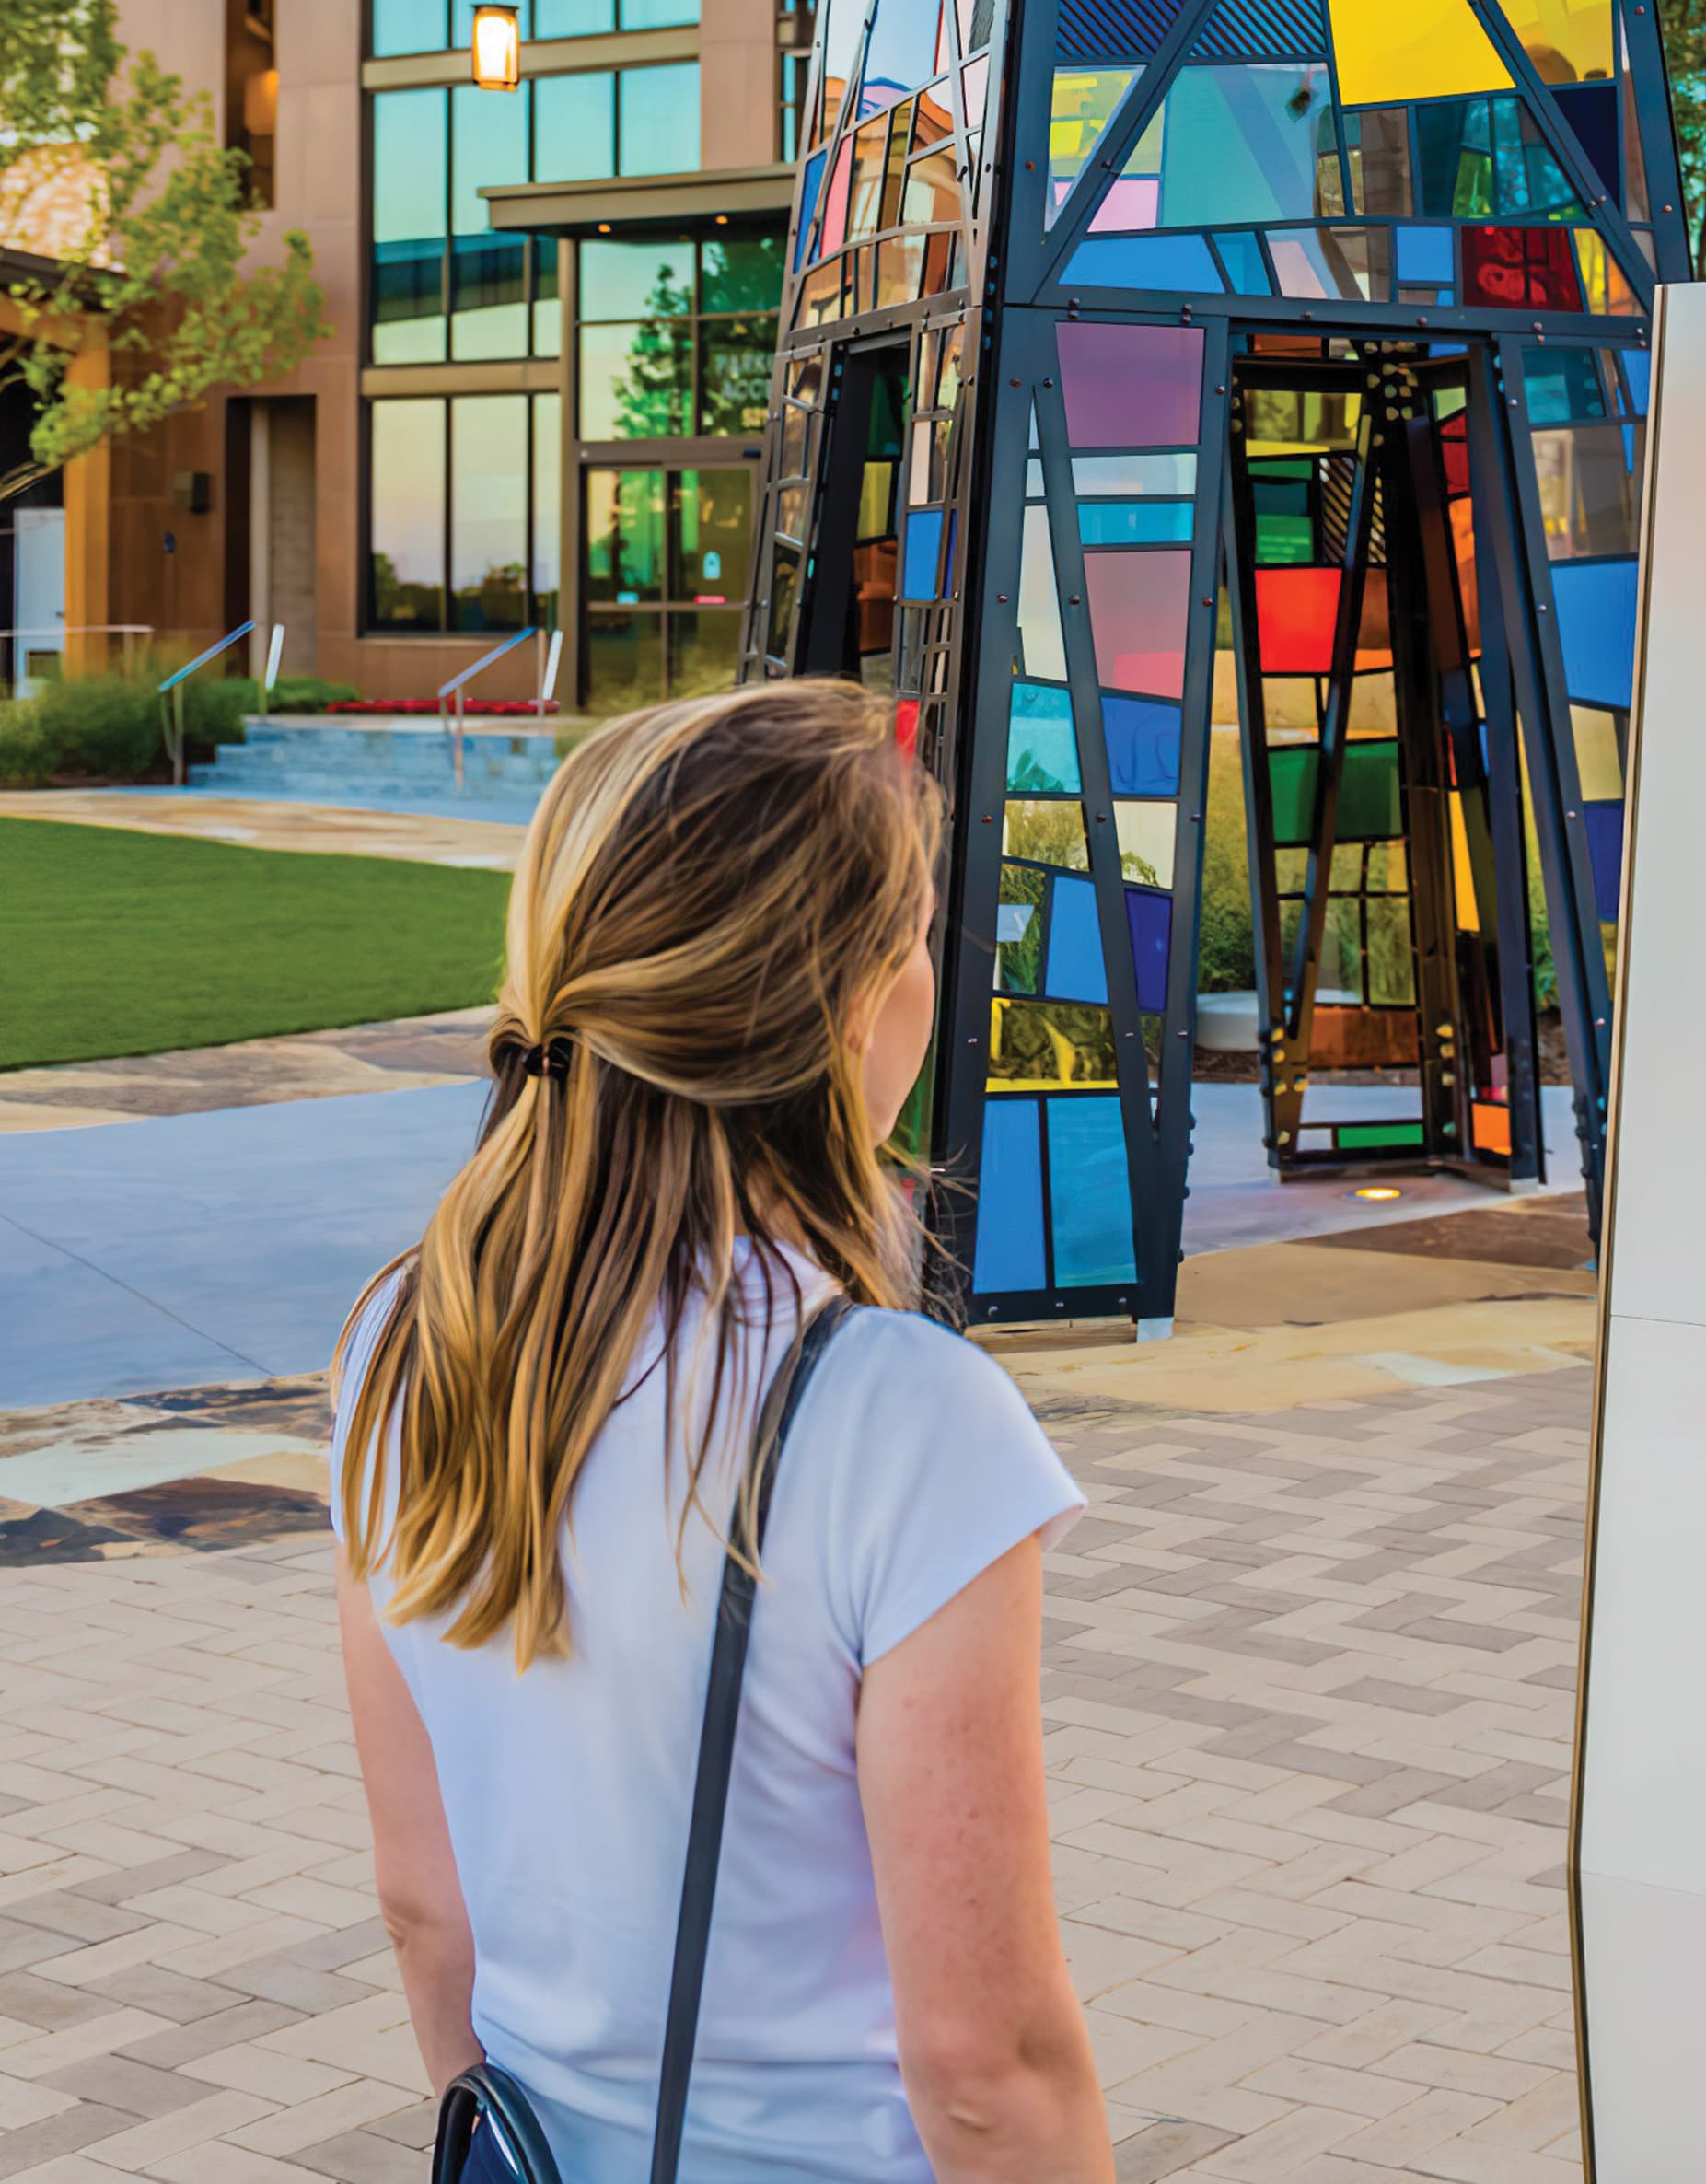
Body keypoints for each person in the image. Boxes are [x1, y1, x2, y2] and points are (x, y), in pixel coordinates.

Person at [330, 679, 1116, 2184]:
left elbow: (426, 1907)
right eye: (918, 936)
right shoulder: (903, 1419)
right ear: (844, 1001)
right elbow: (985, 2065)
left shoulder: (401, 1348)